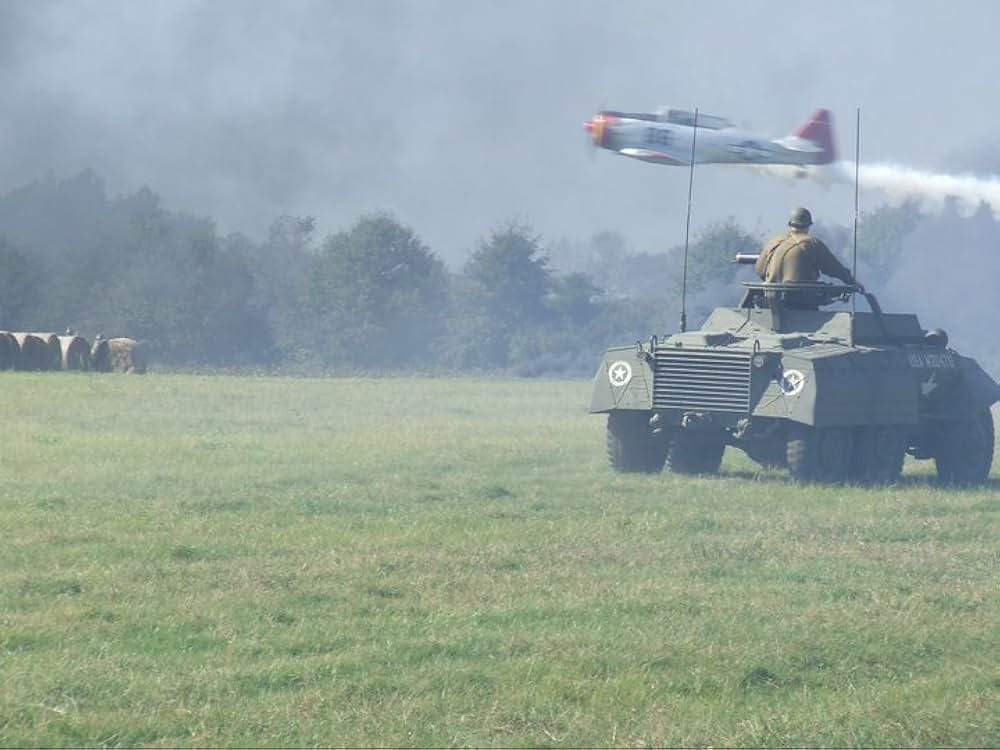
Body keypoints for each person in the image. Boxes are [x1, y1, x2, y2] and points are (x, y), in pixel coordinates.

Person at [755, 207, 864, 293]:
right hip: (803, 302)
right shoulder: (812, 244)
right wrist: (852, 282)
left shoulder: (773, 242)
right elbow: (834, 268)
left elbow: (760, 270)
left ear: (789, 224)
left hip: (772, 299)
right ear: (808, 225)